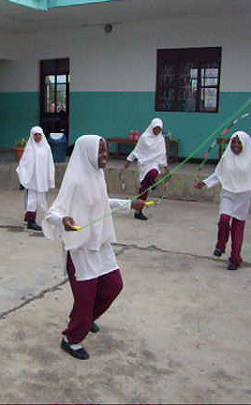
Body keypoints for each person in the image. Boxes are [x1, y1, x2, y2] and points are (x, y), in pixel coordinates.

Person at [42, 135, 145, 360]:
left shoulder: (97, 175)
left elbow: (102, 203)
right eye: (100, 152)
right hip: (81, 251)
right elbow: (53, 213)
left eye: (105, 151)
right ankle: (71, 339)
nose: (105, 156)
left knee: (113, 286)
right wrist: (64, 221)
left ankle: (85, 319)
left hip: (100, 244)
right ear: (87, 153)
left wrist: (129, 204)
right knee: (85, 300)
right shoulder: (75, 181)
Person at [194, 131, 251, 270]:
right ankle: (220, 245)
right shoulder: (226, 157)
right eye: (233, 142)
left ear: (245, 144)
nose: (235, 145)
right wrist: (204, 183)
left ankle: (235, 259)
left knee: (237, 228)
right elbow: (218, 174)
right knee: (223, 220)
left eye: (239, 142)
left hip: (243, 196)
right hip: (228, 193)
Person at [123, 118, 169, 220]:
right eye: (156, 128)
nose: (157, 131)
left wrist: (166, 166)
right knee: (144, 189)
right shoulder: (144, 138)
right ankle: (138, 211)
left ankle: (152, 183)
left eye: (159, 129)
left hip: (154, 164)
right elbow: (137, 151)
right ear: (152, 127)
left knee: (153, 173)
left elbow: (162, 153)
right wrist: (128, 161)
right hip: (144, 164)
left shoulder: (161, 139)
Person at [16, 126, 55, 231]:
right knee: (32, 200)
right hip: (32, 179)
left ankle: (29, 216)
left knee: (39, 198)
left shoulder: (46, 148)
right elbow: (24, 164)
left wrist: (50, 178)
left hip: (42, 178)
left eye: (39, 134)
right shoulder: (30, 148)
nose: (37, 137)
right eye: (35, 135)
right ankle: (31, 221)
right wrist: (24, 178)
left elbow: (50, 163)